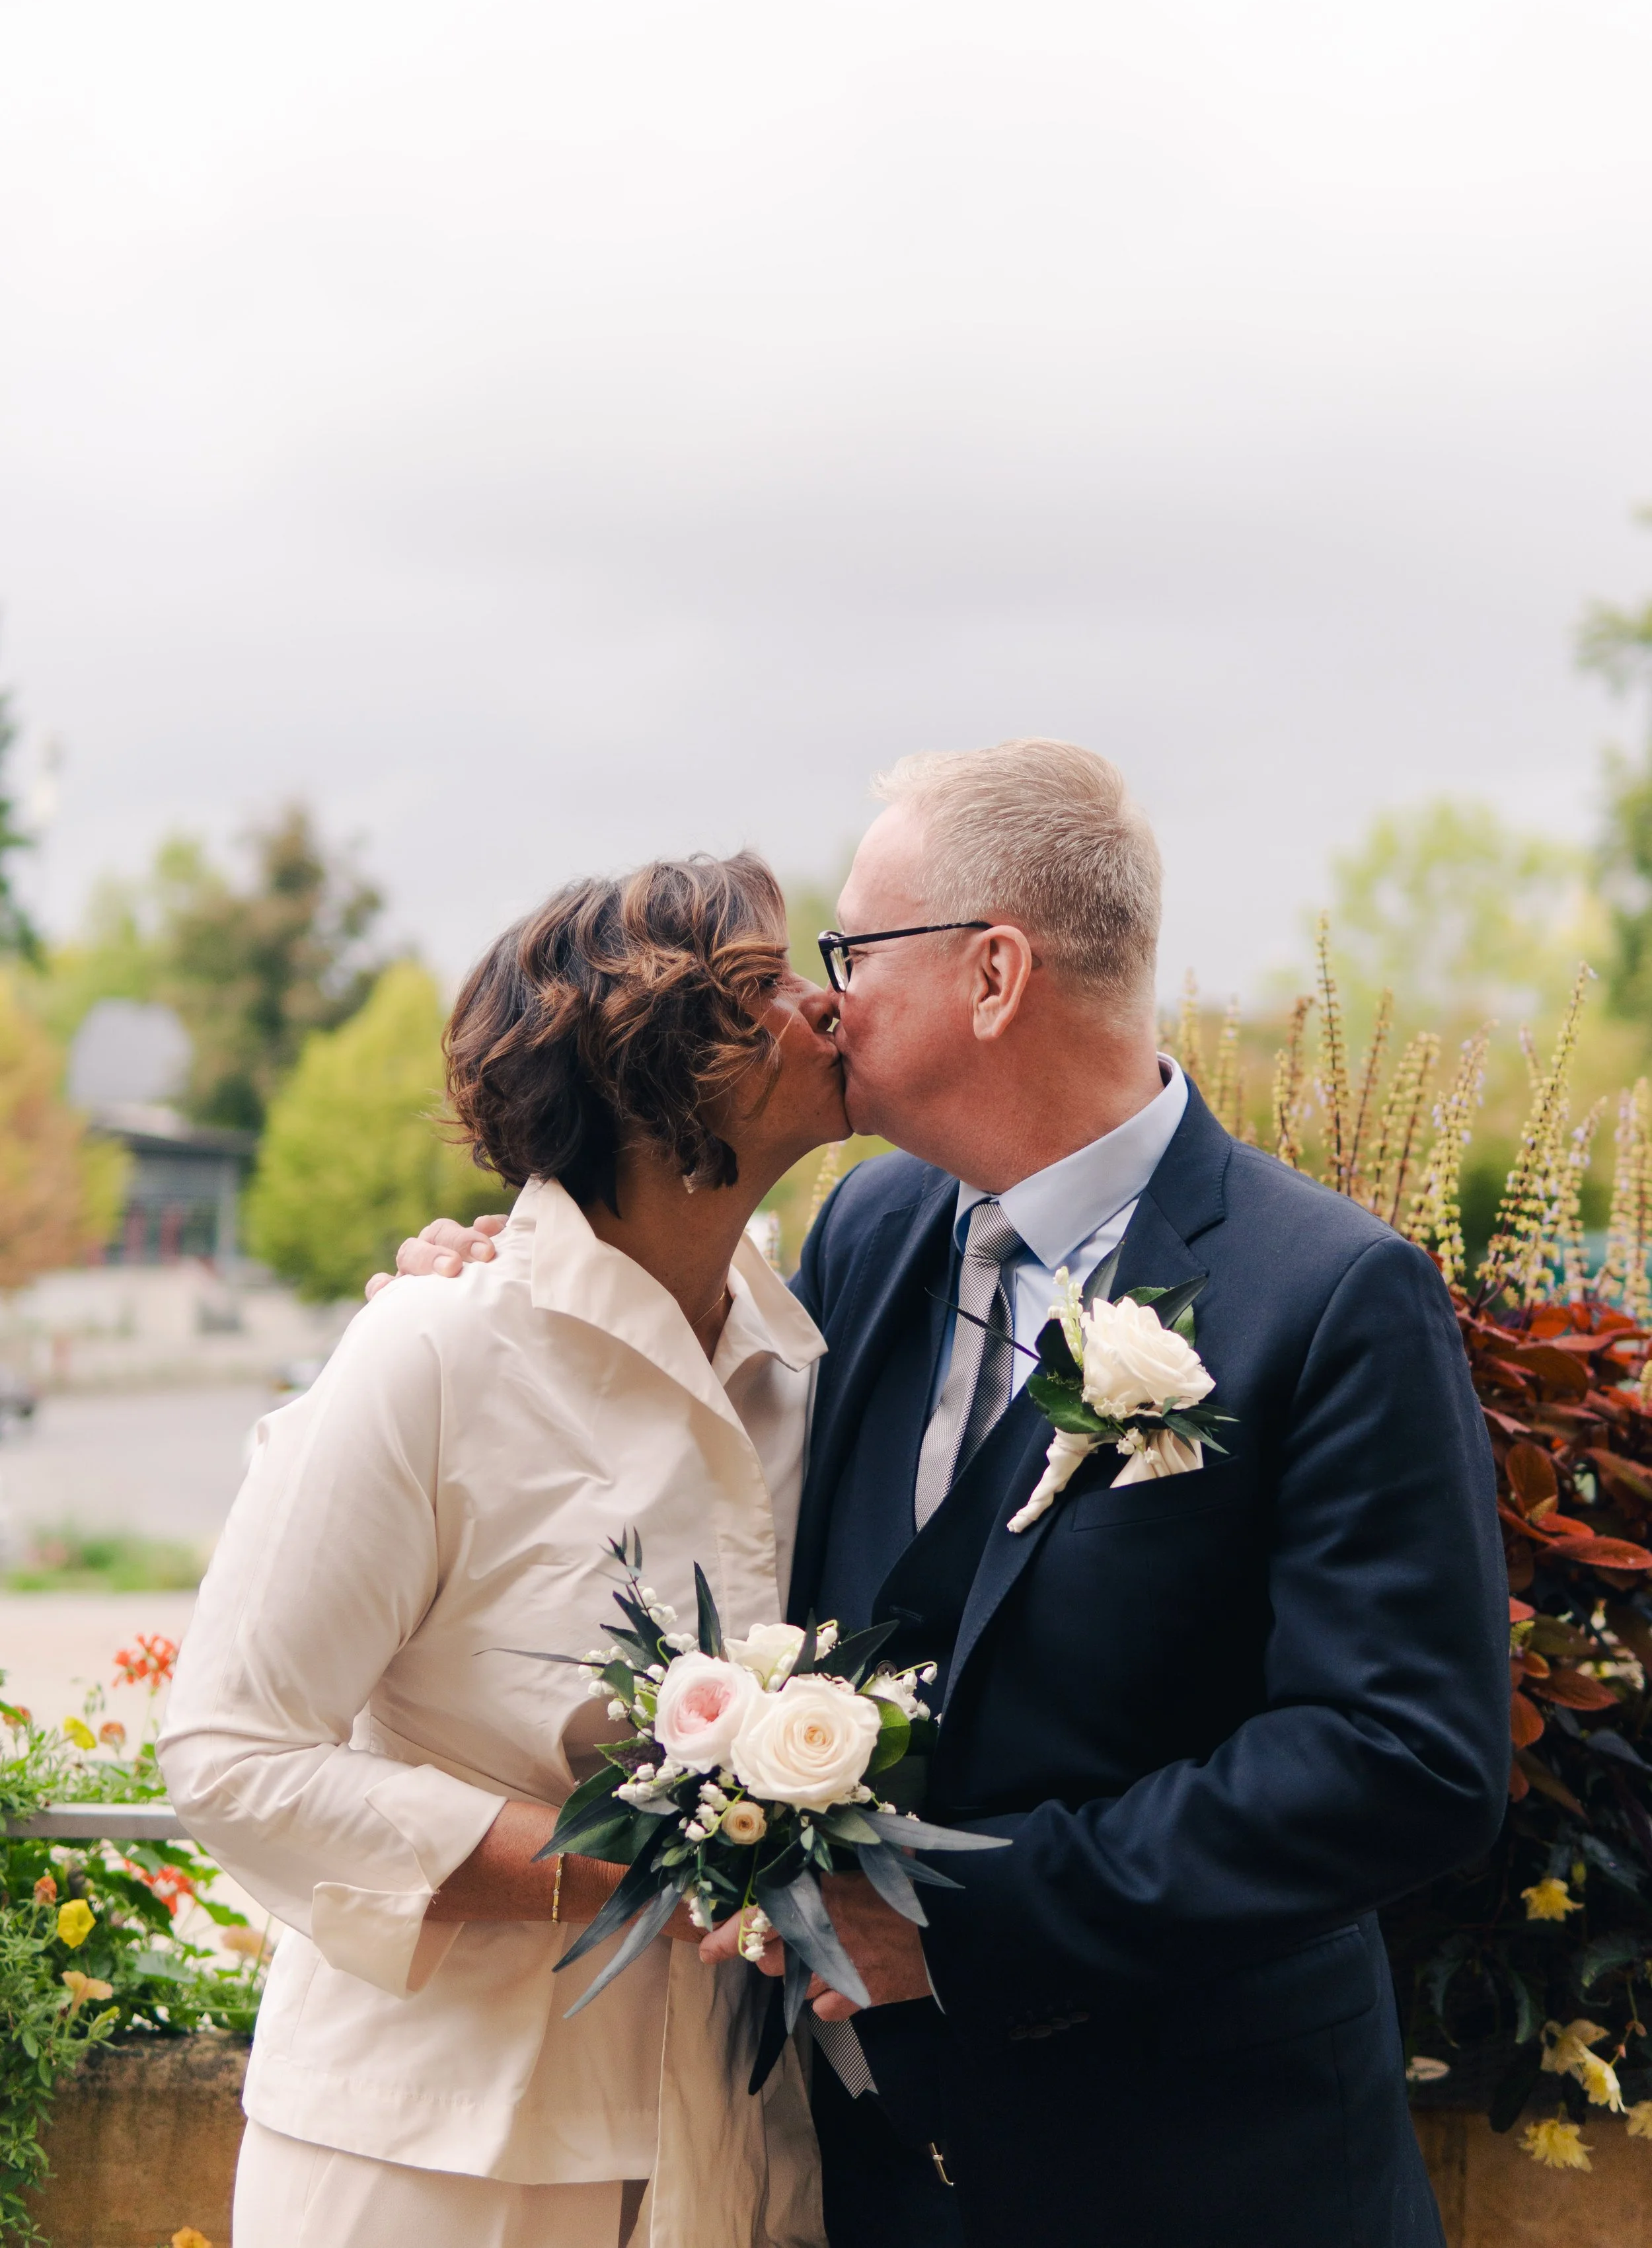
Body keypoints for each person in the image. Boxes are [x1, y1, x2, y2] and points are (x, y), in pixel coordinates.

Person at [402, 739, 1509, 2248]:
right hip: (862, 2179)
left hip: (1212, 2178)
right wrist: (504, 1283)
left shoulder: (1328, 1297)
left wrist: (954, 1919)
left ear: (992, 976)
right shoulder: (868, 1227)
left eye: (853, 950)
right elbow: (686, 1420)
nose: (822, 998)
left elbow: (1401, 1757)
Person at [161, 853, 846, 2248]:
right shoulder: (432, 1346)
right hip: (429, 2163)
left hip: (732, 2152)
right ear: (659, 1068)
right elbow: (228, 1752)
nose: (826, 1005)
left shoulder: (804, 1366)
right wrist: (643, 1867)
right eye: (769, 984)